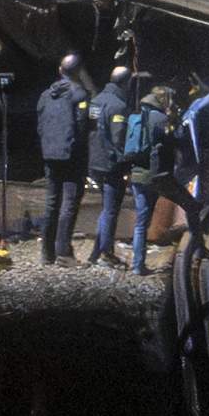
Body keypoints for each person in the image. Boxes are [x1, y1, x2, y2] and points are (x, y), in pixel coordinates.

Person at [34, 54, 90, 266]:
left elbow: (40, 125)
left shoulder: (45, 95)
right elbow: (82, 125)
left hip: (50, 154)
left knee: (51, 202)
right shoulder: (80, 94)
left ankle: (46, 253)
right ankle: (64, 252)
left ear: (60, 70)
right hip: (72, 156)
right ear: (78, 72)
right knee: (69, 202)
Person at [125, 85, 179, 274]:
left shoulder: (135, 117)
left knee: (140, 221)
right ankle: (139, 263)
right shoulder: (161, 119)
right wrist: (173, 119)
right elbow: (174, 142)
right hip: (154, 175)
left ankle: (137, 264)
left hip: (136, 173)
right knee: (145, 219)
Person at [86, 64, 134, 265]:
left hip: (95, 161)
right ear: (126, 82)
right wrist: (128, 160)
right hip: (111, 164)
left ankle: (95, 252)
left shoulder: (95, 102)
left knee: (107, 208)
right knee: (111, 210)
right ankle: (106, 253)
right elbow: (118, 138)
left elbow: (91, 129)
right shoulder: (119, 106)